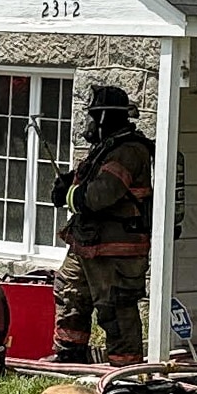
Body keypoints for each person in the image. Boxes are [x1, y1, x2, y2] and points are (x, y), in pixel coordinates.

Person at [53, 84, 156, 365]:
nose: (88, 124)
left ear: (104, 118)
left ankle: (125, 368)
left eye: (92, 117)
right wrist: (70, 180)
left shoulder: (130, 151)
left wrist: (68, 195)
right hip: (88, 244)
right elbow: (90, 181)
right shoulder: (107, 147)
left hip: (116, 250)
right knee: (69, 291)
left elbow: (100, 195)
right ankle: (70, 355)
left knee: (115, 307)